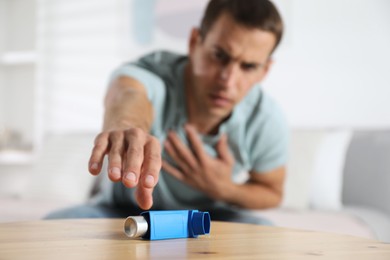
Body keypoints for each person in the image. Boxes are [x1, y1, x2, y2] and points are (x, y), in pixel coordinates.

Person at [46, 0, 288, 224]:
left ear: (265, 71)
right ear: (195, 42)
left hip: (210, 217)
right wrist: (127, 125)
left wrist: (225, 189)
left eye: (248, 66)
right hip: (122, 212)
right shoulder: (155, 72)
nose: (228, 80)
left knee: (266, 232)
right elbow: (129, 93)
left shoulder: (265, 118)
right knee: (57, 226)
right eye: (219, 56)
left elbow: (272, 192)